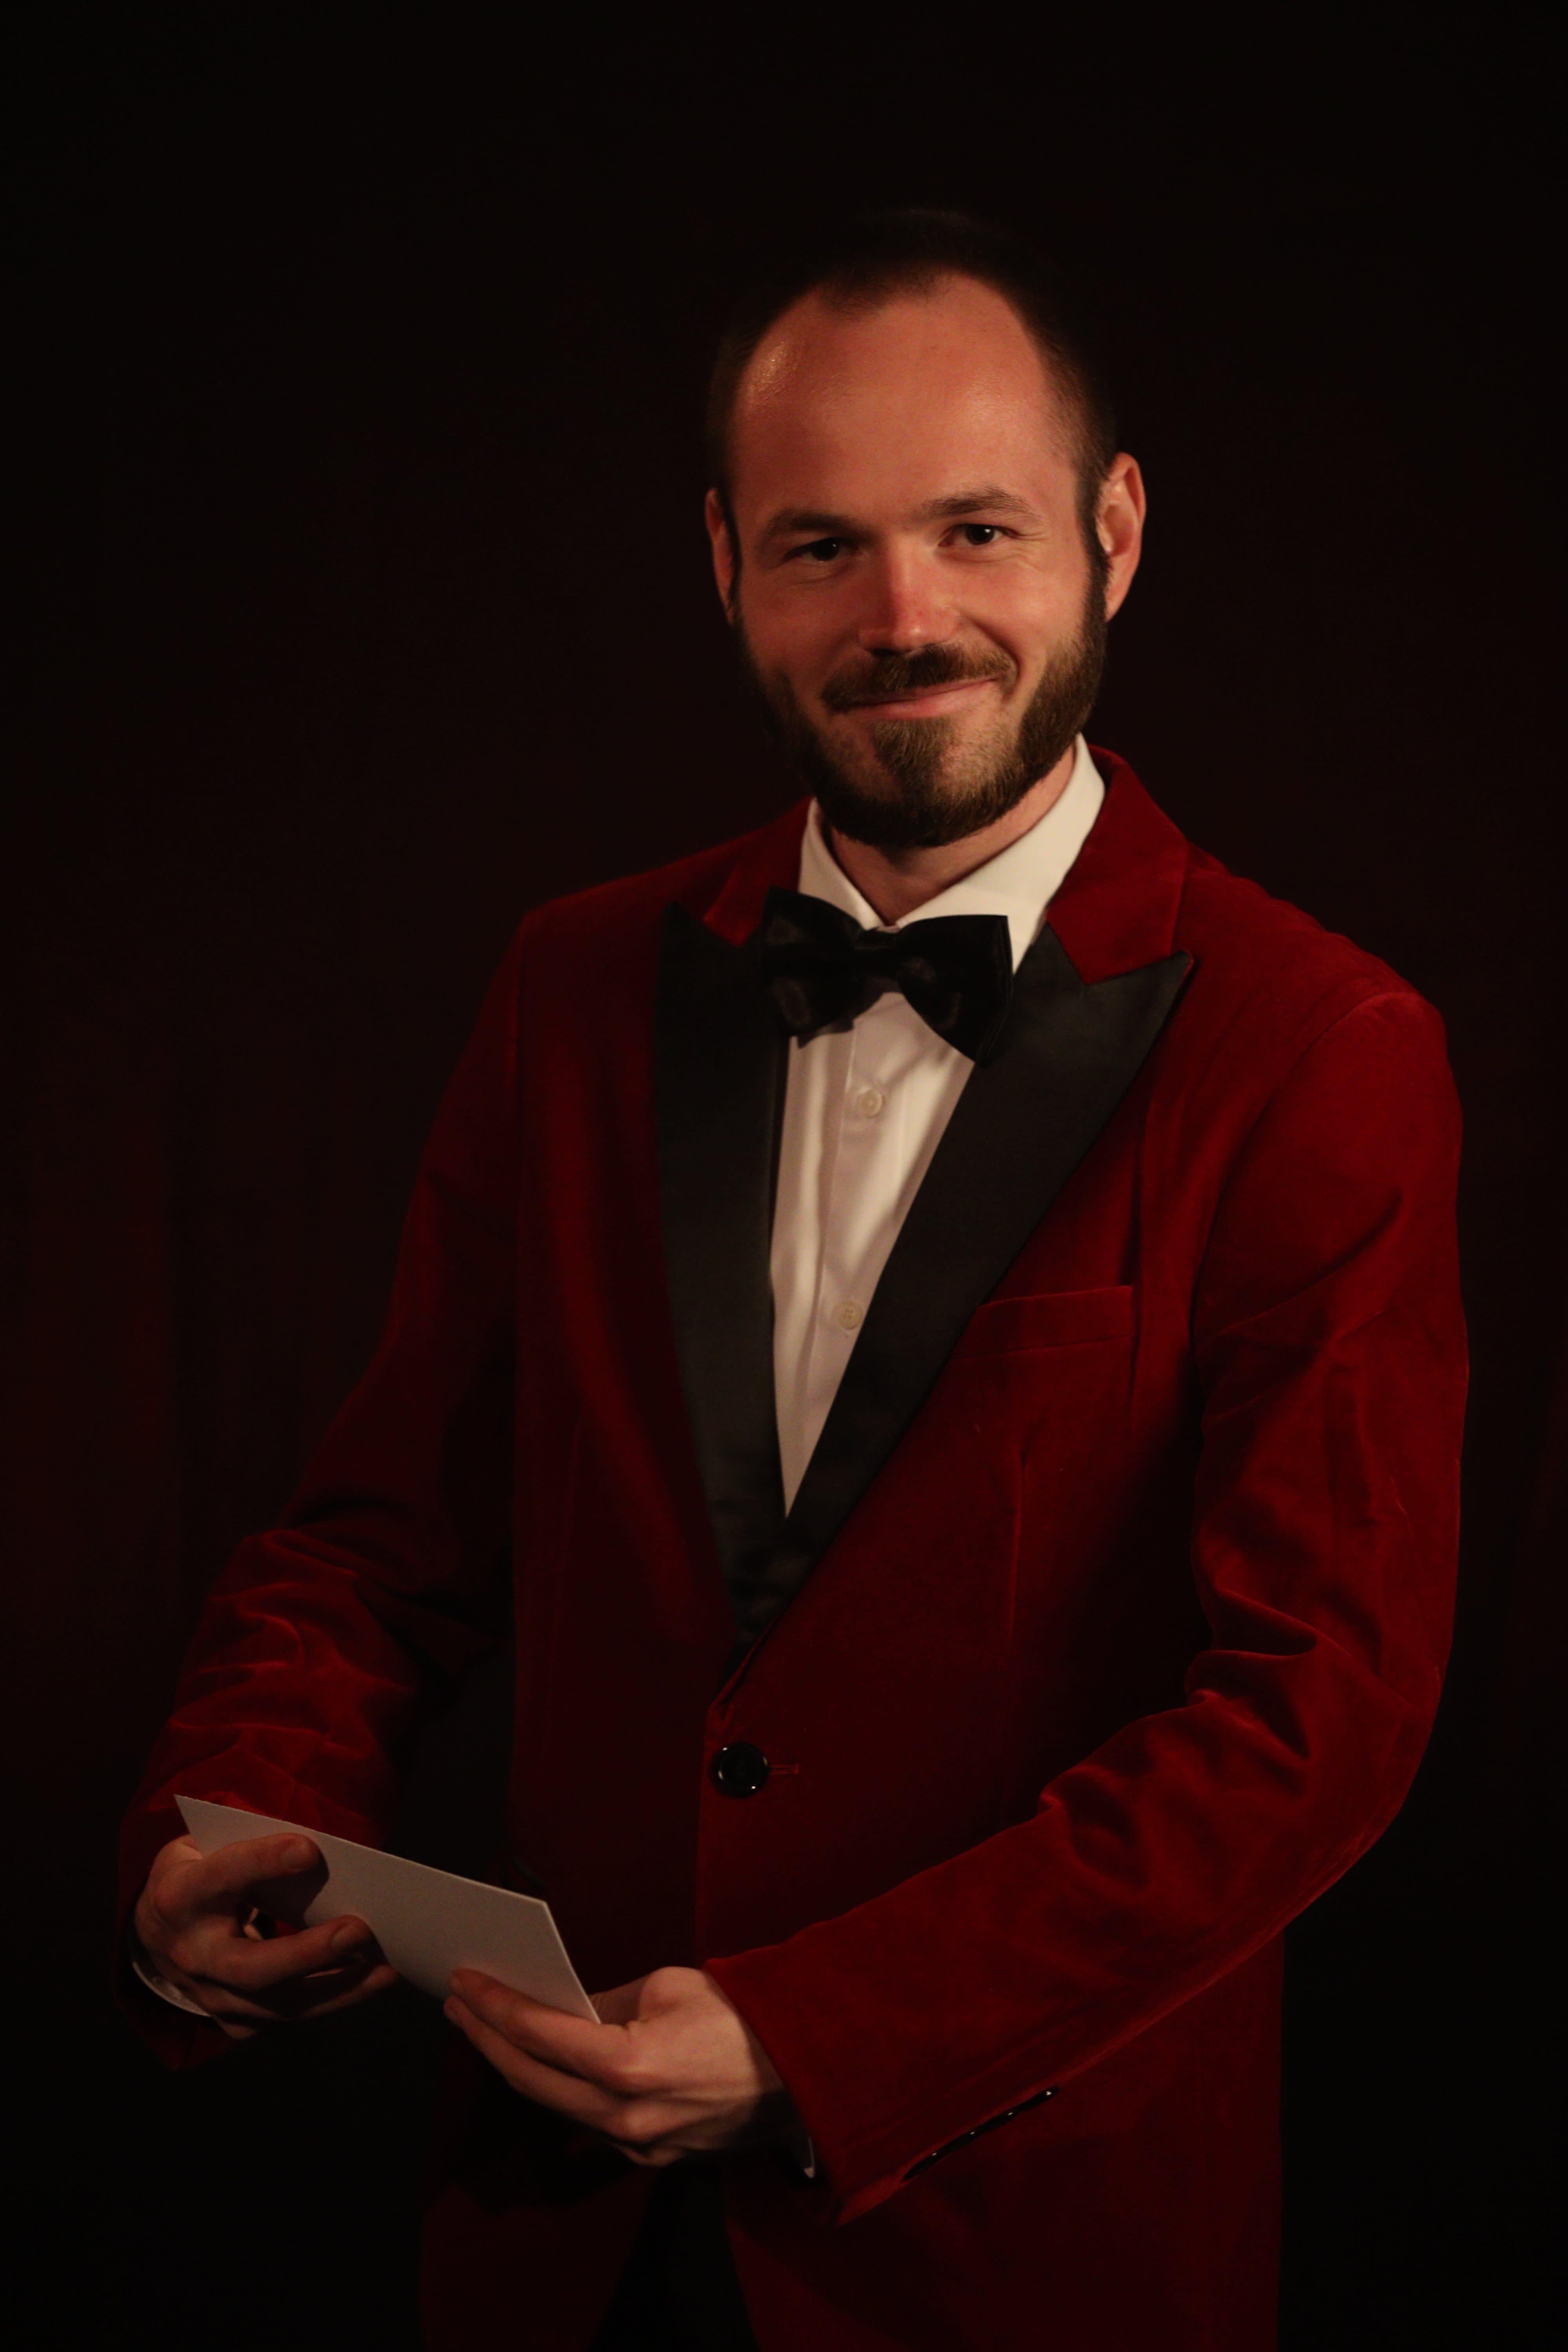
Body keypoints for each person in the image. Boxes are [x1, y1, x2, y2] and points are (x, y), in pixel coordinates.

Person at [118, 209, 1466, 2352]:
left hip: (1018, 2254)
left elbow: (1316, 1719)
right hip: (557, 2240)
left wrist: (819, 2035)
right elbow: (384, 1537)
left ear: (1115, 534)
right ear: (726, 566)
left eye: (976, 530)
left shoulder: (1325, 1049)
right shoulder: (569, 987)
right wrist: (244, 1798)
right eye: (825, 546)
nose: (904, 618)